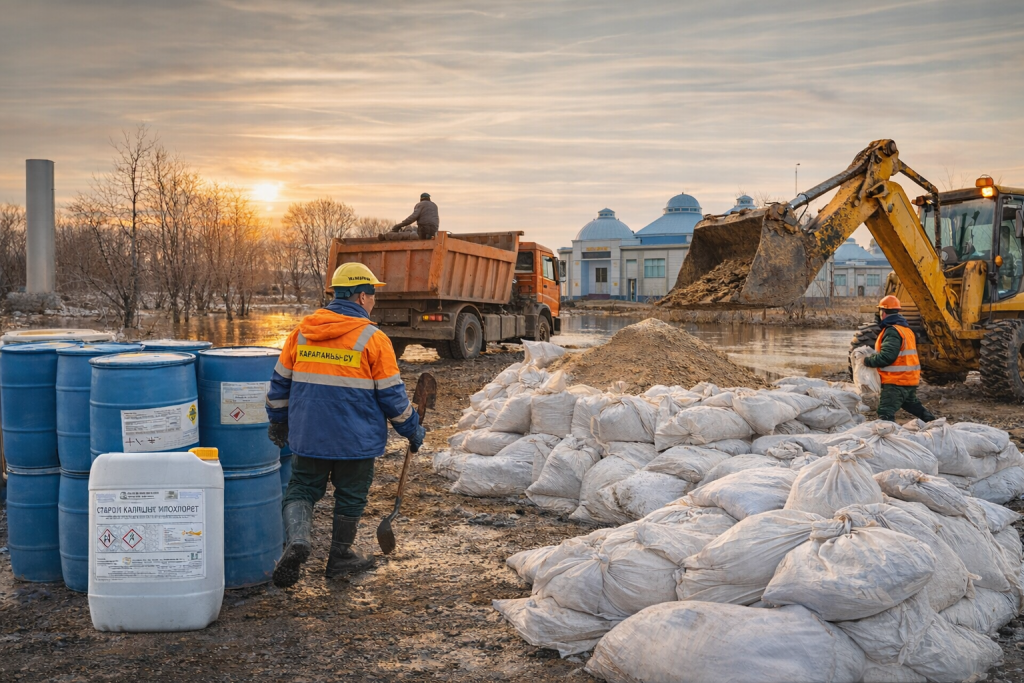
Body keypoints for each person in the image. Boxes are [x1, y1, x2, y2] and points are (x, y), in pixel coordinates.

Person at [266, 262, 425, 588]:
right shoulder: (374, 339)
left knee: (302, 489)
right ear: (362, 296)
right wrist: (413, 429)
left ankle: (298, 539)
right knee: (351, 495)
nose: (374, 301)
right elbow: (393, 398)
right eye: (373, 294)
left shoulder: (302, 333)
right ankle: (339, 559)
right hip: (356, 439)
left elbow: (279, 385)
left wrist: (278, 422)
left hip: (309, 434)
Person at [860, 295, 936, 423]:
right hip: (909, 380)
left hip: (895, 381)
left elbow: (887, 357)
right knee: (912, 405)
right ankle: (932, 422)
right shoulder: (906, 330)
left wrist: (867, 361)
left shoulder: (892, 331)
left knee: (885, 412)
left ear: (882, 312)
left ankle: (889, 439)